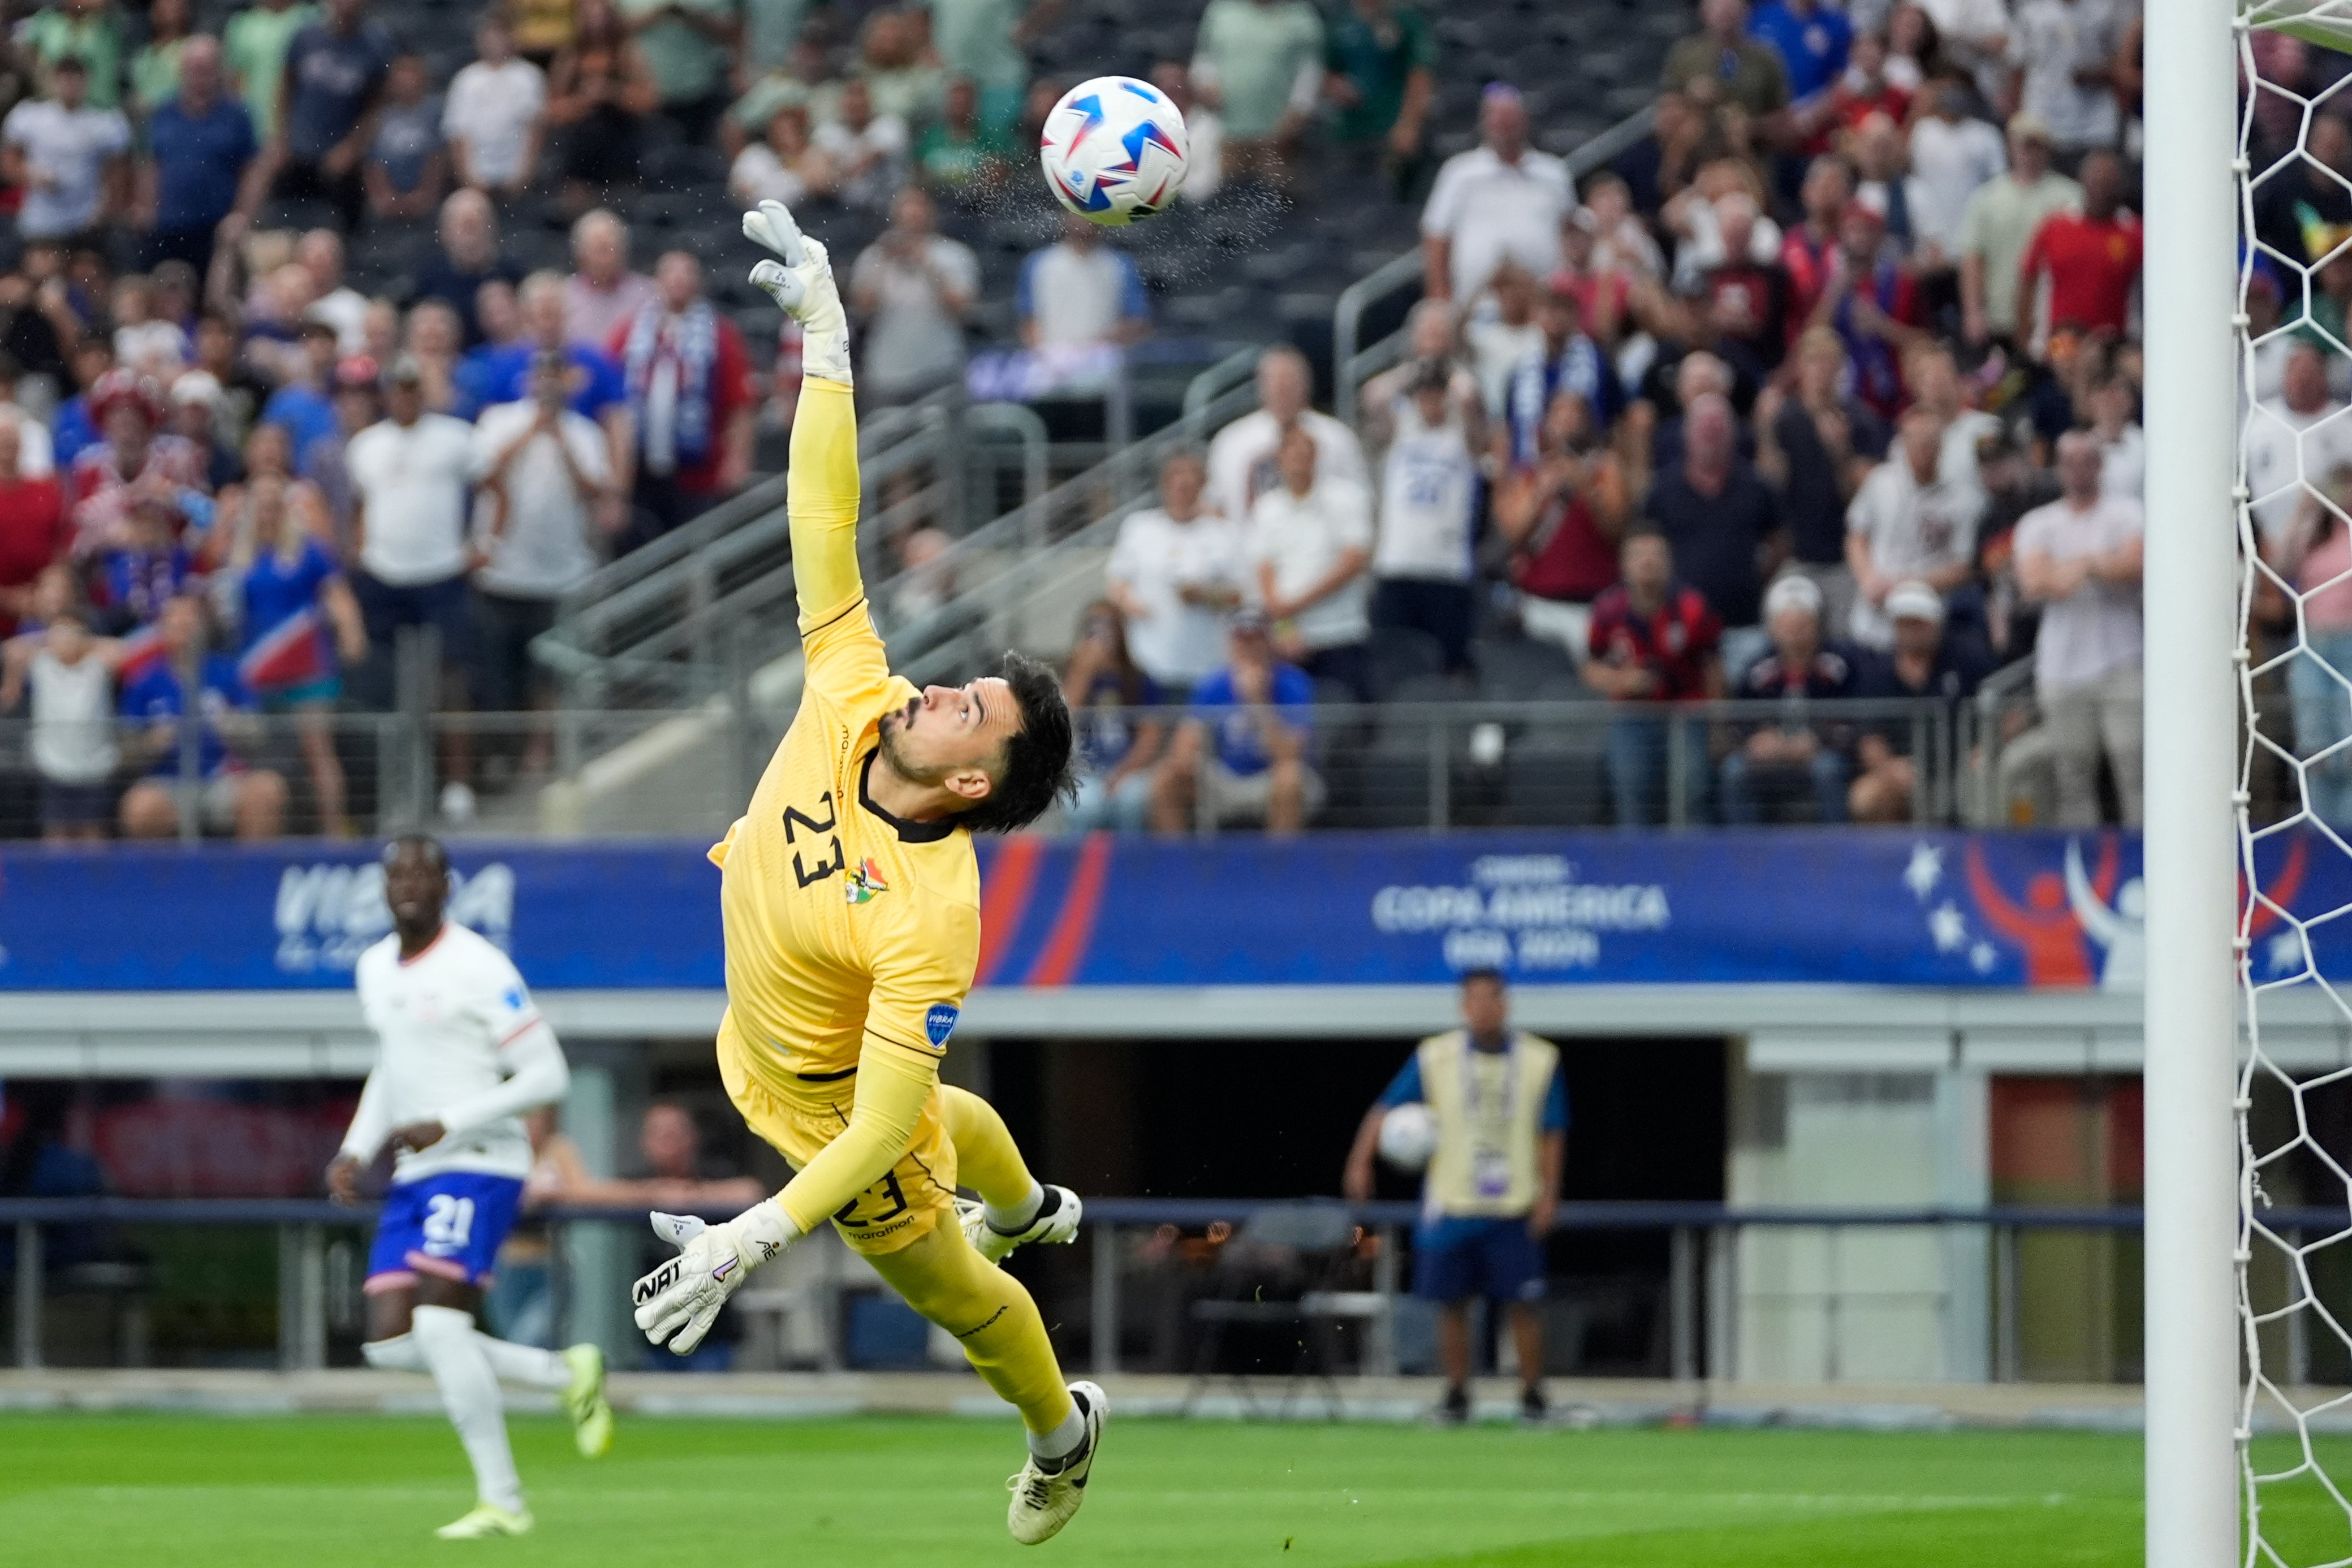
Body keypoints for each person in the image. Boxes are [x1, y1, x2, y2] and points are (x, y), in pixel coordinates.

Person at [627, 198, 1103, 1548]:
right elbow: (820, 521)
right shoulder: (860, 692)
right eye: (966, 683)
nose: (945, 689)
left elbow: (887, 1125)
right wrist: (827, 345)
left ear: (974, 786)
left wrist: (748, 1236)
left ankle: (1063, 1433)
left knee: (956, 1293)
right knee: (971, 1145)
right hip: (761, 1052)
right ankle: (1030, 1207)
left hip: (839, 1122)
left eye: (975, 711)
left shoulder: (934, 918)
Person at [326, 835, 614, 1540]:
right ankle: (562, 1374)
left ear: (448, 885)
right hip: (418, 1171)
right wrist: (356, 1146)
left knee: (441, 1327)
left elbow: (548, 1076)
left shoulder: (479, 967)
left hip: (482, 1159)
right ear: (384, 886)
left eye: (425, 872)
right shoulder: (375, 969)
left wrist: (449, 1121)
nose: (410, 884)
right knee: (391, 1343)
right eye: (399, 873)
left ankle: (504, 1501)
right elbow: (393, 1065)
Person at [1341, 969, 1564, 1426]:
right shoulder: (1435, 1055)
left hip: (1514, 1201)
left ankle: (1532, 1395)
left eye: (1491, 999)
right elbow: (1384, 1108)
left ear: (1505, 1004)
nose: (1482, 1008)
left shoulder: (1540, 1058)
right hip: (1452, 1201)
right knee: (1451, 1303)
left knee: (1521, 1304)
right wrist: (1360, 1160)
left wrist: (1548, 1194)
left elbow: (1553, 1131)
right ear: (1463, 1006)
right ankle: (1457, 1393)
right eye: (1473, 1000)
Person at [469, 350, 611, 726]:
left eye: (555, 374)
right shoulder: (499, 420)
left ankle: (543, 749)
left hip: (560, 573)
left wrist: (560, 441)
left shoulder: (584, 432)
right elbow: (482, 474)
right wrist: (530, 432)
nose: (547, 381)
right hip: (504, 570)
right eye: (542, 374)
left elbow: (593, 489)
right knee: (501, 671)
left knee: (549, 674)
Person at [221, 475, 366, 835]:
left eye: (275, 505)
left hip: (307, 666)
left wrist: (350, 629)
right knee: (258, 754)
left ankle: (335, 831)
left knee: (317, 746)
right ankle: (265, 833)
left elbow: (337, 594)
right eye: (261, 506)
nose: (268, 513)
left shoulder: (309, 549)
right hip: (259, 668)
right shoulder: (239, 555)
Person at [2013, 429, 2144, 826]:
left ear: (2100, 464)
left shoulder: (2127, 512)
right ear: (2057, 468)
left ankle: (2146, 859)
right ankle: (2086, 865)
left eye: (2085, 459)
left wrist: (2078, 565)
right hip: (2061, 668)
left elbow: (2134, 566)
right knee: (2071, 777)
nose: (2076, 469)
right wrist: (2093, 563)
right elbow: (2034, 582)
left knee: (2136, 768)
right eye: (2067, 461)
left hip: (2121, 659)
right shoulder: (2039, 522)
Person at [608, 249, 755, 547]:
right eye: (670, 274)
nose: (677, 281)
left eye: (685, 274)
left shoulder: (720, 334)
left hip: (698, 472)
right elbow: (610, 397)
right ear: (657, 281)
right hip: (641, 471)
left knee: (694, 547)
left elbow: (740, 403)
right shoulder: (631, 330)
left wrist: (738, 458)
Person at [115, 592, 288, 839]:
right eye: (176, 620)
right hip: (167, 783)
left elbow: (257, 733)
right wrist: (152, 743)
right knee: (140, 808)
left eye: (190, 620)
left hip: (222, 778)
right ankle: (165, 877)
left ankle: (251, 876)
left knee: (267, 790)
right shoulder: (144, 681)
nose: (183, 626)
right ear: (163, 628)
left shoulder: (226, 673)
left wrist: (229, 724)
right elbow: (125, 751)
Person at [1586, 529, 1723, 827]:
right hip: (1632, 714)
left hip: (1687, 713)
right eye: (1639, 555)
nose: (1648, 562)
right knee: (1631, 797)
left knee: (1693, 793)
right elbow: (1591, 667)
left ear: (1671, 563)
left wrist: (1718, 724)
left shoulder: (1693, 607)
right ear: (1623, 565)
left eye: (1656, 555)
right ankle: (1635, 870)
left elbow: (1713, 667)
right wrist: (1621, 680)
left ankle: (1693, 865)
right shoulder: (1608, 610)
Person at [1642, 391, 1781, 675]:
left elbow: (1780, 539)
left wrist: (1757, 573)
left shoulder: (1757, 487)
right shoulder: (1661, 492)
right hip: (1679, 630)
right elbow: (1643, 547)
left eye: (1718, 429)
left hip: (1744, 626)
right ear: (1687, 434)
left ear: (1733, 435)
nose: (1711, 436)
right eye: (1704, 429)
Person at [1151, 609, 1320, 833]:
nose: (1249, 647)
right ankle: (1175, 863)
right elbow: (1182, 749)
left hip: (1270, 779)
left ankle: (1279, 864)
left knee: (1289, 778)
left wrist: (1258, 702)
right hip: (1224, 777)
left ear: (1269, 642)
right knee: (1166, 777)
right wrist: (1191, 755)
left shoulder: (1294, 683)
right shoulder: (1213, 684)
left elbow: (1289, 756)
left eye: (1256, 639)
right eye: (1242, 639)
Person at [1718, 573, 1861, 824]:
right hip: (1770, 757)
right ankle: (1744, 852)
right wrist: (1757, 740)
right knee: (1735, 771)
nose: (1794, 635)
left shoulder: (1841, 667)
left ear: (1818, 626)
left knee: (1827, 769)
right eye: (1787, 626)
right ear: (1773, 628)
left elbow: (1855, 717)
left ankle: (1836, 846)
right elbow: (1741, 721)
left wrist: (1819, 740)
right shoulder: (1758, 670)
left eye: (1802, 625)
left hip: (1822, 753)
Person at [1495, 389, 1627, 658]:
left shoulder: (1606, 470)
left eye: (1575, 412)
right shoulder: (1529, 475)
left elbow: (1617, 530)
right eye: (1558, 412)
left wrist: (1587, 489)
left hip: (1595, 604)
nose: (1566, 420)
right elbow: (1513, 533)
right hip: (1540, 603)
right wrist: (1542, 494)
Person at [1104, 447, 1246, 692]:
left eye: (1191, 479)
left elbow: (1241, 595)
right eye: (1176, 478)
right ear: (1164, 484)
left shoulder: (1224, 534)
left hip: (1206, 657)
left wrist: (1204, 596)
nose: (1183, 486)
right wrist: (1131, 603)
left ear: (1202, 486)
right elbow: (1117, 580)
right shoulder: (1140, 527)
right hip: (1148, 655)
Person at [1849, 579, 1992, 823]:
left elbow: (2007, 709)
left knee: (1984, 779)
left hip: (1963, 764)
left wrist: (1986, 748)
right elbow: (1868, 736)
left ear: (1937, 622)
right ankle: (1890, 859)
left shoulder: (1969, 658)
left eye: (1920, 623)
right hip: (1906, 770)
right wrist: (1890, 767)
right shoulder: (1878, 671)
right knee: (1866, 797)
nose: (1912, 631)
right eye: (1905, 623)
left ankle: (1977, 856)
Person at [1371, 357, 1481, 672]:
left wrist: (1450, 369)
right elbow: (1374, 395)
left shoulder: (1461, 435)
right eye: (1424, 394)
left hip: (1447, 568)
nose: (1430, 402)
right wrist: (1416, 366)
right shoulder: (1401, 431)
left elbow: (1472, 404)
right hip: (1397, 565)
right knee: (1392, 664)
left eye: (1437, 394)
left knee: (1450, 667)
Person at [1418, 83, 1573, 303]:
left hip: (1543, 304)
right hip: (1475, 306)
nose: (1504, 125)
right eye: (1498, 119)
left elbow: (1570, 231)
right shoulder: (1459, 173)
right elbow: (1436, 236)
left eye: (1510, 118)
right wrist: (1440, 296)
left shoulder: (1553, 173)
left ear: (1524, 120)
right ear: (1485, 122)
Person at [1844, 405, 1982, 650]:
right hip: (1873, 620)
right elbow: (1856, 536)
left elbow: (1962, 567)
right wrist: (1868, 578)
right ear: (1903, 442)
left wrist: (1905, 584)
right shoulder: (1880, 482)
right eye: (1915, 440)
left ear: (1941, 445)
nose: (1922, 449)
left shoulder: (1961, 498)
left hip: (1926, 619)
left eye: (1929, 442)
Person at [1205, 344, 1369, 533]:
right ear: (1261, 384)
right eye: (1276, 380)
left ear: (1306, 383)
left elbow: (1360, 502)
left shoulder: (1337, 438)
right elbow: (1214, 508)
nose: (1283, 388)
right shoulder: (1231, 441)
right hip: (1248, 553)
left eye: (1290, 380)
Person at [135, 37, 264, 276]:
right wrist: (146, 207)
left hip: (216, 229)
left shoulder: (237, 115)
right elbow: (150, 165)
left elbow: (252, 171)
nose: (198, 75)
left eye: (205, 68)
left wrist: (243, 216)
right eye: (193, 68)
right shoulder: (163, 113)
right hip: (168, 226)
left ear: (219, 70)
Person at [265, 0, 395, 233]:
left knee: (339, 234)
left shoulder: (375, 46)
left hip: (340, 162)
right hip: (297, 153)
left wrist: (351, 149)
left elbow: (375, 109)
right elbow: (285, 90)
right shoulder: (305, 38)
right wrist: (280, 139)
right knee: (282, 228)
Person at [0, 604, 123, 841]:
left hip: (95, 767)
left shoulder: (96, 665)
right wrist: (48, 639)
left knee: (93, 833)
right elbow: (12, 649)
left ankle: (95, 880)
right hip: (53, 765)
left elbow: (118, 651)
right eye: (59, 633)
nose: (66, 640)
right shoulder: (43, 664)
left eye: (72, 633)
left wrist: (84, 642)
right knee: (56, 833)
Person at [848, 185, 978, 406]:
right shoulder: (874, 256)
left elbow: (963, 309)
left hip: (940, 371)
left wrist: (927, 264)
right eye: (906, 206)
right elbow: (861, 310)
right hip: (886, 374)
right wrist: (883, 262)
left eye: (918, 205)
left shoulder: (954, 255)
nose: (912, 213)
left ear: (931, 210)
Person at [1958, 114, 2081, 347]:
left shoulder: (2070, 198)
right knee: (2002, 383)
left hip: (2053, 322)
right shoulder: (1987, 197)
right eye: (2023, 145)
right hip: (2000, 318)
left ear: (2047, 150)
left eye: (2036, 146)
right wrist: (1973, 312)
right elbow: (1973, 258)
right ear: (2011, 148)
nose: (2028, 153)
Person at [1189, 0, 1323, 189]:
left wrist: (1298, 113)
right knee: (1227, 202)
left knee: (1279, 203)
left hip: (1278, 138)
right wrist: (1207, 84)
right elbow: (1205, 57)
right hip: (1228, 134)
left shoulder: (1301, 16)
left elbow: (1309, 73)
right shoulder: (1222, 10)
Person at [2016, 148, 2140, 347]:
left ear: (2119, 186)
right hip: (2058, 344)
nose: (2101, 190)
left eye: (2108, 183)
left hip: (2112, 346)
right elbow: (2028, 279)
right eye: (2096, 182)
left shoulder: (2134, 233)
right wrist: (2024, 338)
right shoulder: (2055, 227)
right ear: (2083, 182)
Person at [2, 55, 130, 244]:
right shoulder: (29, 116)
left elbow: (118, 173)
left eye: (76, 78)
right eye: (64, 77)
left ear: (87, 81)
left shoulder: (106, 122)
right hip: (41, 219)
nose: (69, 84)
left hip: (86, 219)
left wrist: (107, 210)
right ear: (53, 80)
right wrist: (30, 174)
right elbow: (8, 163)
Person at [545, 0, 658, 213]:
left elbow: (650, 100)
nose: (596, 22)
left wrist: (612, 93)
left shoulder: (626, 53)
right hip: (579, 154)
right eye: (589, 15)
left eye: (601, 15)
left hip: (620, 151)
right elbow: (553, 110)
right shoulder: (570, 57)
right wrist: (583, 100)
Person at [1061, 602, 1165, 832]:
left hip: (1129, 770)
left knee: (1131, 802)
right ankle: (1079, 867)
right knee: (1083, 806)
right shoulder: (1073, 675)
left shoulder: (1141, 680)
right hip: (1085, 771)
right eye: (1093, 625)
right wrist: (1084, 673)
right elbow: (1064, 722)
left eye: (1108, 625)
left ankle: (1129, 867)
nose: (1101, 633)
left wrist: (1121, 774)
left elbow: (1150, 739)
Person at [1322, 0, 1435, 198]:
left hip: (1393, 129)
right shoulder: (1340, 24)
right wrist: (1336, 87)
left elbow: (1421, 74)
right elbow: (1326, 72)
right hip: (1352, 131)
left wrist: (1409, 124)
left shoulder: (1406, 21)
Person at [2246, 342, 2352, 546]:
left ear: (2323, 377)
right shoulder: (2259, 424)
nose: (2302, 381)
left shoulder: (2345, 423)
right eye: (2296, 373)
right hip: (2266, 541)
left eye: (2309, 374)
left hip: (2330, 543)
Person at [442, 15, 546, 201]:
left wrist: (524, 174)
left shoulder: (529, 76)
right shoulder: (466, 80)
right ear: (480, 41)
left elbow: (536, 128)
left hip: (517, 173)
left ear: (512, 39)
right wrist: (468, 178)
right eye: (490, 38)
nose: (495, 43)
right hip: (477, 174)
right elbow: (458, 133)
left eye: (500, 37)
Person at [413, 189, 523, 347]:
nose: (471, 235)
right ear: (445, 233)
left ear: (492, 228)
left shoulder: (511, 273)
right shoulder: (431, 276)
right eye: (463, 227)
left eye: (476, 225)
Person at [616, 0, 737, 145]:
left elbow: (732, 31)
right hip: (654, 99)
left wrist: (691, 15)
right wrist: (663, 10)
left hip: (707, 91)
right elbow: (608, 29)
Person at [361, 50, 446, 221]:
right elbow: (372, 163)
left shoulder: (436, 110)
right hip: (387, 204)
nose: (405, 79)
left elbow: (440, 157)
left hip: (429, 202)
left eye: (411, 71)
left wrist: (425, 195)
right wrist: (385, 197)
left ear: (423, 76)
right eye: (400, 72)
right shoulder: (380, 116)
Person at [222, 0, 315, 145]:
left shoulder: (312, 18)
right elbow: (235, 82)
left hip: (298, 135)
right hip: (253, 133)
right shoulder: (241, 23)